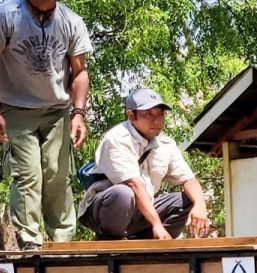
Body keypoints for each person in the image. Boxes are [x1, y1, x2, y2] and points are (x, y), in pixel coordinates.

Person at [0, 0, 92, 250]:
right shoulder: (5, 15)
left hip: (57, 111)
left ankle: (63, 243)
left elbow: (80, 72)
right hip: (16, 109)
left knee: (57, 176)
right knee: (27, 176)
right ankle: (30, 241)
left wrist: (78, 114)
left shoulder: (71, 21)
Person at [78, 89, 210, 240]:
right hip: (105, 209)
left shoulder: (166, 144)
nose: (156, 120)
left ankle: (150, 242)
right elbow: (133, 185)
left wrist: (200, 205)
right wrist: (157, 224)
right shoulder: (117, 139)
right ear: (131, 116)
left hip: (143, 211)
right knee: (123, 193)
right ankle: (110, 240)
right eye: (148, 114)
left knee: (187, 200)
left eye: (160, 114)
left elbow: (189, 179)